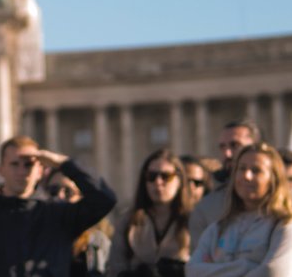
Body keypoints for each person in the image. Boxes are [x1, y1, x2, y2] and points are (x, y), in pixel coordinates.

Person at [0, 135, 116, 277]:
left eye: (28, 165)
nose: (22, 171)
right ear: (1, 169)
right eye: (15, 164)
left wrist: (62, 163)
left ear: (40, 171)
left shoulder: (60, 215)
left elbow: (104, 199)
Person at [187, 143, 292, 276]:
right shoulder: (219, 227)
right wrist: (246, 266)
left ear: (273, 179)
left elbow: (273, 272)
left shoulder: (284, 224)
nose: (246, 176)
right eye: (241, 169)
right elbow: (192, 270)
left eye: (256, 170)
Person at [106, 149, 191, 277]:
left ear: (179, 180)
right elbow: (115, 267)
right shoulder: (128, 221)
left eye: (166, 176)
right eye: (151, 177)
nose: (158, 182)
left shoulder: (194, 220)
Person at [189, 119, 260, 250]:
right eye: (222, 147)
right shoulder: (206, 207)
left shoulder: (280, 201)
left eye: (235, 145)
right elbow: (200, 261)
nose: (227, 153)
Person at [45, 168, 113, 276]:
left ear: (82, 198)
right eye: (53, 191)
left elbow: (107, 198)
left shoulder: (97, 242)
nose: (60, 196)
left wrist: (66, 163)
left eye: (68, 192)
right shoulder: (37, 237)